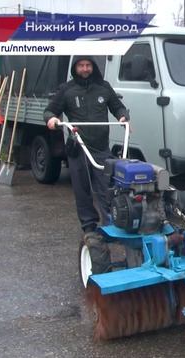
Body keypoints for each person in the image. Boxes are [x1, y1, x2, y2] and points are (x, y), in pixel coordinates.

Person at [44, 56, 128, 269]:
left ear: (93, 67)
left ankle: (111, 223)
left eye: (88, 65)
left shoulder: (103, 87)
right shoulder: (67, 89)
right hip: (78, 148)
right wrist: (52, 119)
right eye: (81, 66)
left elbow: (118, 107)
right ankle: (89, 228)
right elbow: (50, 110)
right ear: (76, 68)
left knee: (107, 186)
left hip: (101, 148)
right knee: (83, 190)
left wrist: (122, 117)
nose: (85, 69)